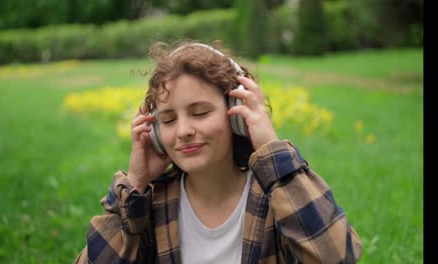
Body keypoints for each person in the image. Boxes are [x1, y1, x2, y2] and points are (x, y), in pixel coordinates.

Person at [74, 40, 363, 264]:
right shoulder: (150, 204)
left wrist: (272, 152)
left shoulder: (278, 198)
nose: (184, 130)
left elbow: (337, 256)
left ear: (236, 115)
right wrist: (134, 184)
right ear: (156, 134)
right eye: (169, 120)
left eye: (200, 113)